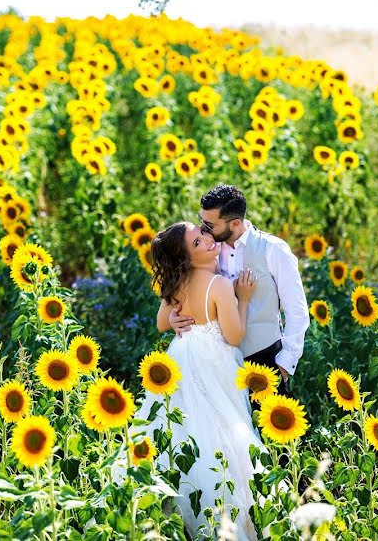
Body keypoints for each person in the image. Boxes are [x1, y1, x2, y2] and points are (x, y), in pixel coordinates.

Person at [140, 221, 264, 540]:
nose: (208, 240)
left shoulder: (177, 283)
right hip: (214, 362)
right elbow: (234, 336)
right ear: (187, 258)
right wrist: (244, 299)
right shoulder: (220, 285)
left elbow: (159, 323)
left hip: (183, 357)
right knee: (225, 426)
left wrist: (171, 318)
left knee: (190, 426)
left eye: (203, 234)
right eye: (198, 243)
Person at [166, 184, 309, 397]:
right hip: (218, 364)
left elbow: (297, 311)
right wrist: (174, 316)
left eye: (210, 224)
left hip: (265, 361)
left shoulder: (273, 249)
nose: (203, 229)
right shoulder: (205, 251)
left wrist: (285, 365)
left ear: (235, 223)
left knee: (271, 429)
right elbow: (186, 288)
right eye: (201, 220)